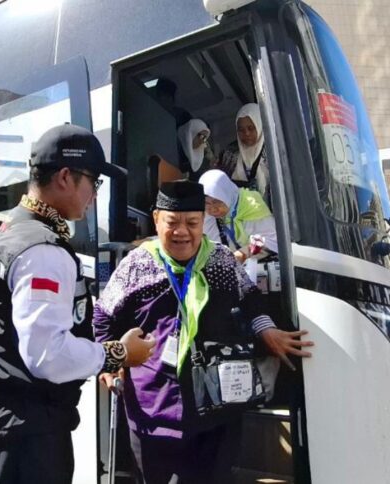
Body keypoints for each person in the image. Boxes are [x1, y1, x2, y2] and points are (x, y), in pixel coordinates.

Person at [0, 124, 156, 483]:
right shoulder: (43, 250)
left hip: (6, 420)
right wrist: (119, 354)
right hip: (22, 431)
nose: (94, 195)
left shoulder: (16, 227)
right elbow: (46, 354)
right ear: (65, 176)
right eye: (93, 182)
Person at [93, 181, 313, 483]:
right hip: (154, 411)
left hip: (216, 413)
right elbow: (103, 315)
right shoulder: (137, 265)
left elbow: (249, 299)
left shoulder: (221, 260)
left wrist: (267, 331)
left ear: (203, 222)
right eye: (172, 223)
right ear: (157, 219)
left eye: (192, 223)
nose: (182, 232)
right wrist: (108, 361)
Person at [199, 169, 278, 263]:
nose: (212, 209)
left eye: (217, 202)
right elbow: (211, 244)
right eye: (206, 203)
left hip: (259, 264)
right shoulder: (207, 213)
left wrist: (243, 253)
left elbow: (273, 241)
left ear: (226, 195)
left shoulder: (251, 207)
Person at [215, 103, 270, 198]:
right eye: (241, 130)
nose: (246, 133)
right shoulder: (230, 153)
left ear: (260, 125)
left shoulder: (272, 152)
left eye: (251, 128)